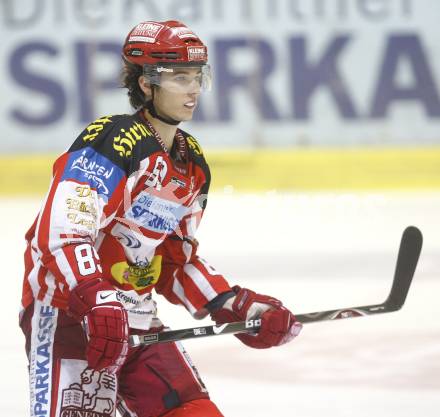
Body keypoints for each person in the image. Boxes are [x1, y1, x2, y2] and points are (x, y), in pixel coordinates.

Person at [19, 20, 302, 417]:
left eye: (197, 77)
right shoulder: (113, 139)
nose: (193, 89)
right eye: (180, 78)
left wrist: (235, 304)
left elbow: (175, 261)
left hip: (136, 318)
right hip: (68, 315)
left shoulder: (191, 163)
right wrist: (97, 297)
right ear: (146, 84)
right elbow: (62, 233)